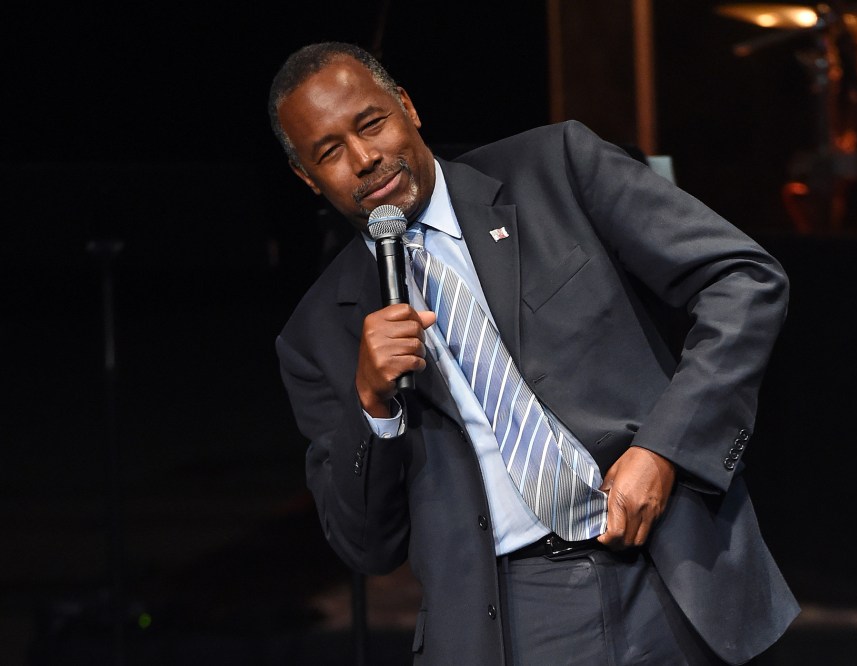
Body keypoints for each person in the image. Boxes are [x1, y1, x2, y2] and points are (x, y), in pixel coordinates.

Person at [268, 41, 799, 665]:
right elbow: (366, 545)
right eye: (330, 152)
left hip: (669, 567)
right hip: (514, 617)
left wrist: (665, 449)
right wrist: (372, 407)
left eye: (371, 123)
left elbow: (743, 279)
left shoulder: (555, 168)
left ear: (407, 107)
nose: (365, 159)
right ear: (307, 177)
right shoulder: (315, 337)